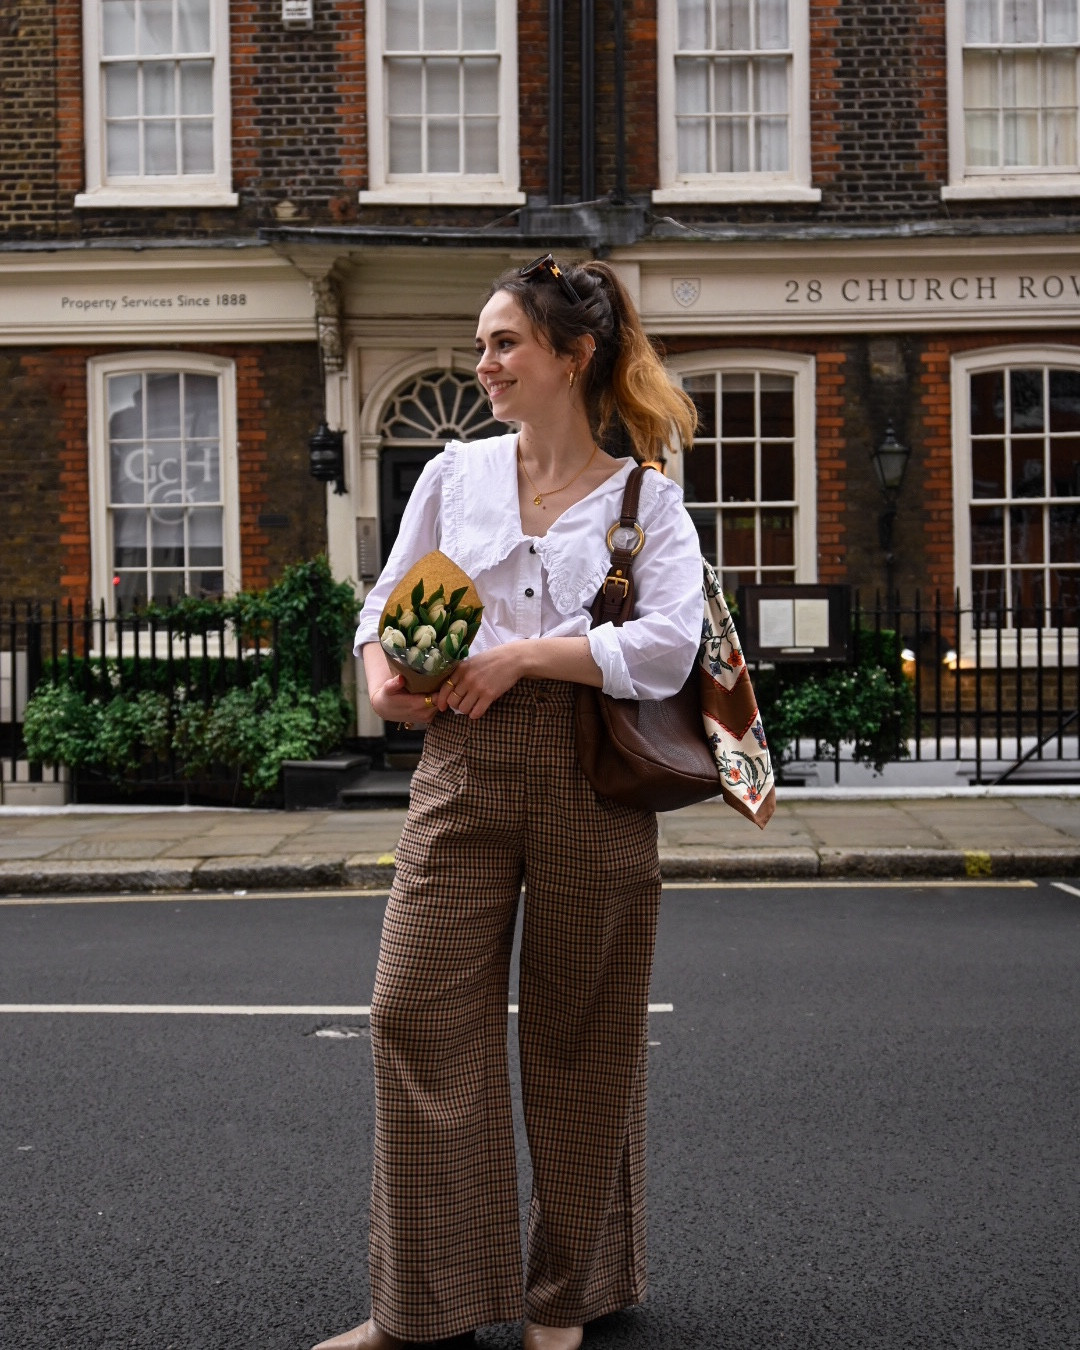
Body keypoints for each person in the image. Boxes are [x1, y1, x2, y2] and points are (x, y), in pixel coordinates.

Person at [312, 255, 701, 1350]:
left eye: (504, 344)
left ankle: (568, 1296)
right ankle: (422, 1305)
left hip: (593, 773)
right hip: (462, 764)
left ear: (573, 358)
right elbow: (390, 596)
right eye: (481, 343)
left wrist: (526, 656)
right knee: (412, 1009)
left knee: (584, 1034)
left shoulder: (646, 500)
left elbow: (672, 647)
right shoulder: (454, 473)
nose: (482, 363)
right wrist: (381, 672)